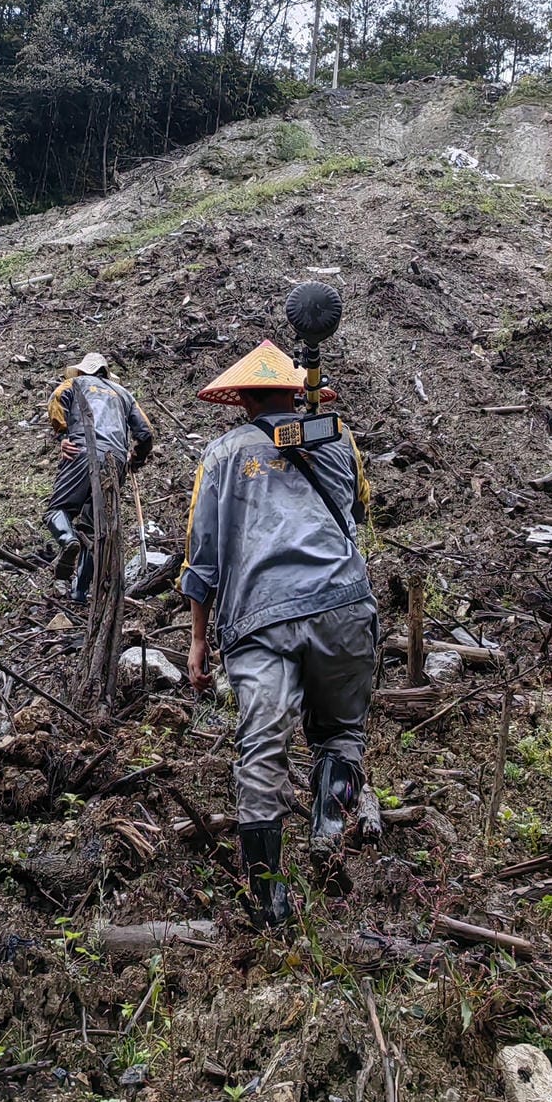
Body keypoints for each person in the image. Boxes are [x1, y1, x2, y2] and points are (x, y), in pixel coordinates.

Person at [180, 338, 377, 927]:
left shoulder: (220, 455)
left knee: (261, 748)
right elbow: (359, 512)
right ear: (298, 390)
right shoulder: (338, 437)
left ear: (240, 398)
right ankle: (329, 820)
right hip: (343, 605)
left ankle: (268, 901)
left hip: (260, 620)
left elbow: (202, 558)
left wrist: (197, 641)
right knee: (341, 730)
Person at [44, 352, 155, 601]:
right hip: (115, 462)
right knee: (94, 529)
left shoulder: (75, 383)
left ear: (84, 371)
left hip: (82, 451)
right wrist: (134, 460)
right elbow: (146, 432)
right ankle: (80, 593)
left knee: (57, 510)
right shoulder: (124, 395)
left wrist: (62, 436)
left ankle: (67, 540)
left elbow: (56, 401)